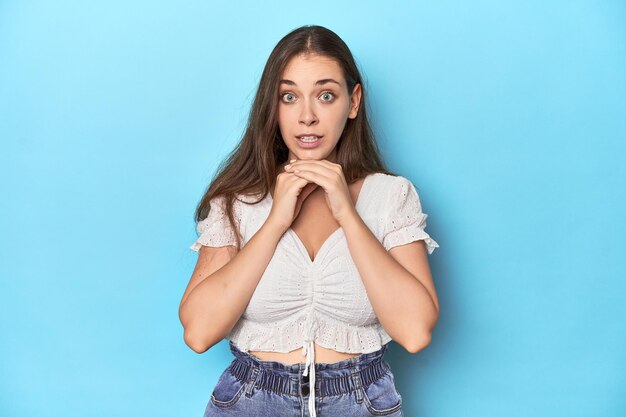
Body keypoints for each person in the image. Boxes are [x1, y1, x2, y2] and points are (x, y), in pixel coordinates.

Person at [179, 24, 440, 417]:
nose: (307, 117)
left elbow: (415, 332)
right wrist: (275, 222)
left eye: (325, 95)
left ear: (353, 102)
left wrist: (348, 216)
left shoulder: (392, 196)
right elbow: (198, 333)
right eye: (289, 97)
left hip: (359, 401)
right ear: (273, 105)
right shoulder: (236, 200)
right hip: (252, 402)